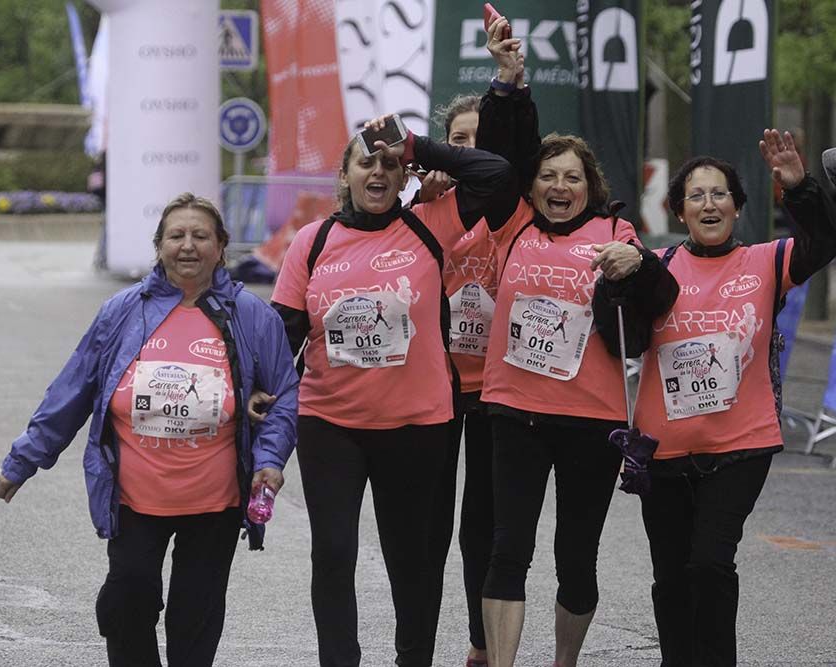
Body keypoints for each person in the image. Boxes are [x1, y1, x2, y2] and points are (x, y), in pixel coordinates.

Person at [0, 192, 299, 667]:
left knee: (193, 622)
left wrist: (269, 462)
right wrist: (24, 459)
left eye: (201, 236)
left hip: (214, 501)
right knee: (127, 601)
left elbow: (283, 397)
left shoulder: (252, 316)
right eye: (176, 235)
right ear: (159, 246)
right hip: (134, 498)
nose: (188, 246)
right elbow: (72, 389)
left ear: (221, 247)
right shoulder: (121, 311)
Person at [269, 101, 520, 666]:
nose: (377, 173)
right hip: (330, 423)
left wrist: (416, 146)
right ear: (346, 177)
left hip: (416, 425)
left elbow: (498, 175)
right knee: (332, 552)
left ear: (404, 175)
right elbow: (280, 334)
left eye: (389, 164)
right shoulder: (310, 242)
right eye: (366, 163)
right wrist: (260, 408)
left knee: (412, 559)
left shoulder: (432, 225)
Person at [473, 16, 678, 667]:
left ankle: (565, 660)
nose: (559, 186)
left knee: (575, 554)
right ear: (530, 188)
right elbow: (504, 147)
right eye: (548, 176)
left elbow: (664, 301)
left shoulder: (616, 232)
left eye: (572, 178)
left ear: (591, 186)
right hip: (514, 410)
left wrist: (638, 266)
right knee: (509, 548)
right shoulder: (512, 226)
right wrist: (509, 81)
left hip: (591, 418)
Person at [595, 129, 836, 666]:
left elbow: (823, 243)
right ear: (680, 211)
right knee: (672, 576)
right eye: (696, 195)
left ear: (737, 207)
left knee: (710, 563)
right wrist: (617, 283)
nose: (709, 203)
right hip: (664, 450)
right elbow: (622, 341)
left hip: (740, 446)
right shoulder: (654, 266)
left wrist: (797, 184)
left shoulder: (767, 262)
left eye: (720, 193)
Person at [408, 24, 538, 666]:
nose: (466, 150)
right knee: (427, 530)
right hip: (432, 389)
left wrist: (509, 79)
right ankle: (416, 650)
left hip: (496, 391)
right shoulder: (421, 213)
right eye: (456, 140)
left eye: (476, 142)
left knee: (481, 528)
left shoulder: (511, 210)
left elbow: (514, 149)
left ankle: (481, 645)